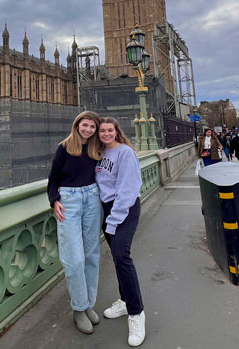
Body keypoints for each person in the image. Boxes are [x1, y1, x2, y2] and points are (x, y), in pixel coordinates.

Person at [47, 110, 103, 334]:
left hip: (92, 197)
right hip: (69, 200)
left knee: (91, 255)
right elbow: (52, 179)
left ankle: (89, 303)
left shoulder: (96, 148)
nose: (88, 129)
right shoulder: (64, 148)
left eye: (92, 127)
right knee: (74, 258)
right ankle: (78, 308)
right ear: (77, 125)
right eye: (85, 125)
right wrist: (54, 201)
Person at [95, 117, 146, 347]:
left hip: (124, 208)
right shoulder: (99, 153)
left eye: (109, 130)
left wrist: (114, 219)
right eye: (102, 130)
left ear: (116, 132)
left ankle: (136, 312)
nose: (105, 134)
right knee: (117, 257)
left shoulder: (124, 153)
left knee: (122, 256)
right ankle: (125, 300)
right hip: (108, 209)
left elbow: (129, 187)